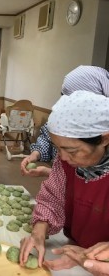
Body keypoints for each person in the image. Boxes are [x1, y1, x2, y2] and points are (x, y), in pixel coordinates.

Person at [19, 91, 109, 275]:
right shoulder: (65, 164)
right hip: (74, 249)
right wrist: (39, 230)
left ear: (105, 139)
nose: (63, 158)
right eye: (58, 149)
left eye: (72, 151)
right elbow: (52, 199)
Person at [20, 65, 109, 177]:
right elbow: (48, 137)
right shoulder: (64, 117)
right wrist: (35, 154)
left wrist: (49, 172)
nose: (64, 157)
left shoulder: (97, 128)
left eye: (72, 151)